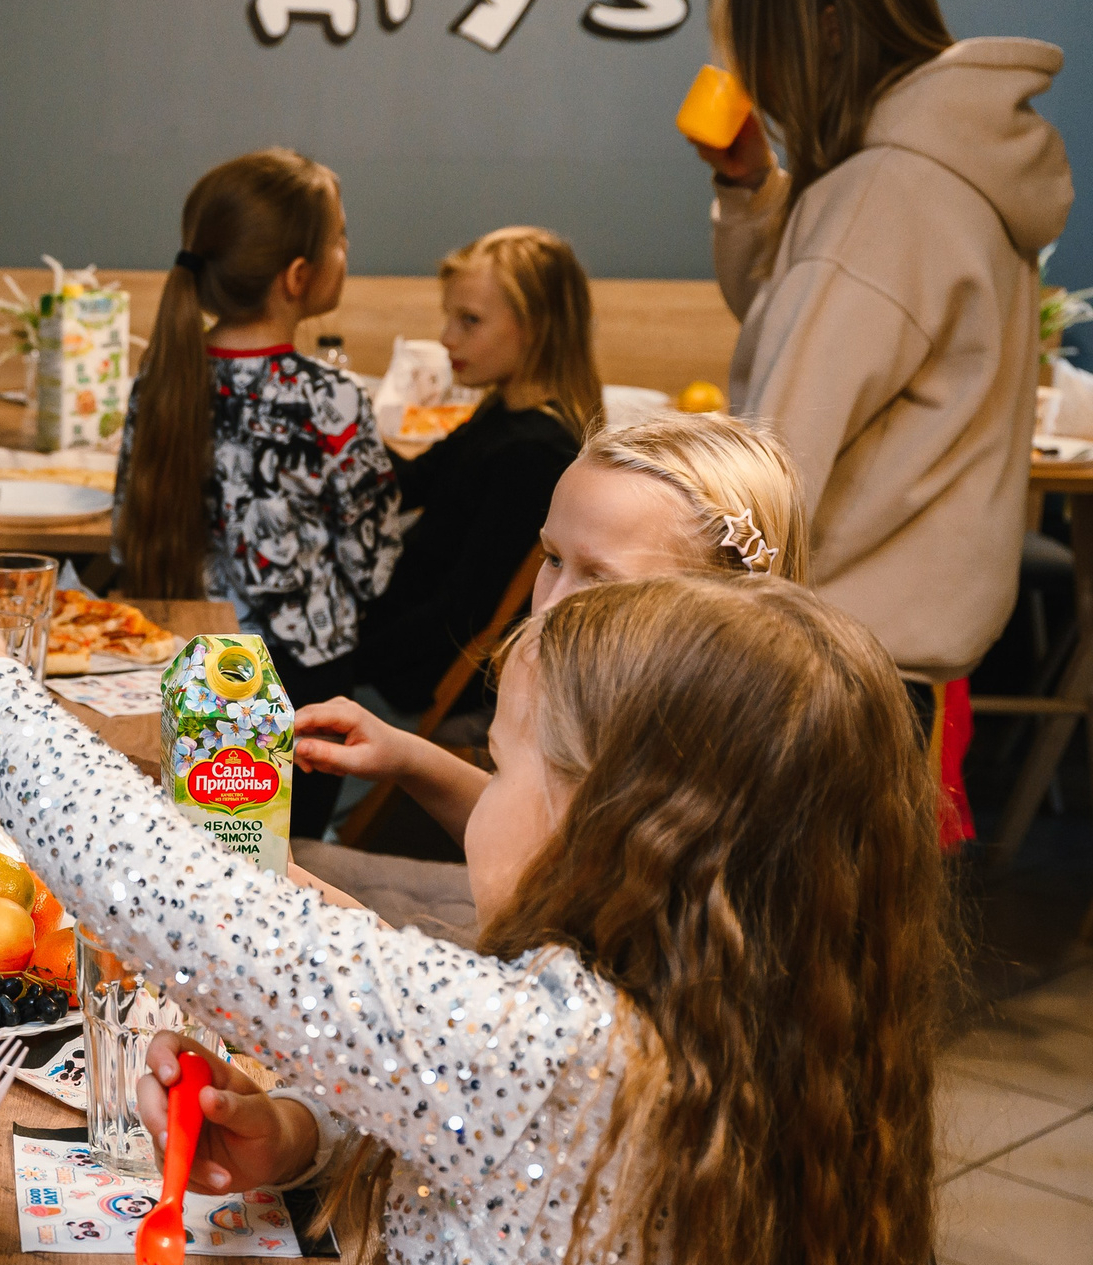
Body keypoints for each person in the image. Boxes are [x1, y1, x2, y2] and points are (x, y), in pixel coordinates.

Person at [0, 572, 942, 1265]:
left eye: (506, 759)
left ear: (608, 825)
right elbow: (536, 1173)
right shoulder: (729, 1017)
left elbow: (186, 909)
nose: (482, 790)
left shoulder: (555, 1042)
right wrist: (308, 1133)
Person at [697, 0, 1073, 799]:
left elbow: (779, 452)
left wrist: (683, 599)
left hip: (831, 650)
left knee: (789, 937)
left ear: (826, 31)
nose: (750, 78)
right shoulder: (944, 173)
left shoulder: (885, 195)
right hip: (898, 655)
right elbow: (804, 323)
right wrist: (752, 190)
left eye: (759, 47)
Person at [296, 410, 807, 877]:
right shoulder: (600, 703)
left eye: (600, 580)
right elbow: (544, 844)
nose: (550, 606)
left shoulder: (701, 779)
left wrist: (292, 899)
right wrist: (408, 758)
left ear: (723, 609)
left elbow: (528, 919)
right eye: (553, 558)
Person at [114, 148, 398, 776]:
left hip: (178, 665)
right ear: (297, 276)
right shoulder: (332, 398)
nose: (348, 250)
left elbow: (121, 532)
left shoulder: (158, 381)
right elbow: (372, 565)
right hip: (301, 688)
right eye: (341, 237)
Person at [331, 228, 596, 779]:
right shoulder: (501, 414)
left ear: (536, 329)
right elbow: (409, 482)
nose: (447, 338)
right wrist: (339, 417)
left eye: (469, 321)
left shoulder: (534, 453)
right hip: (396, 645)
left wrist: (344, 661)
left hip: (413, 683)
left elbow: (460, 613)